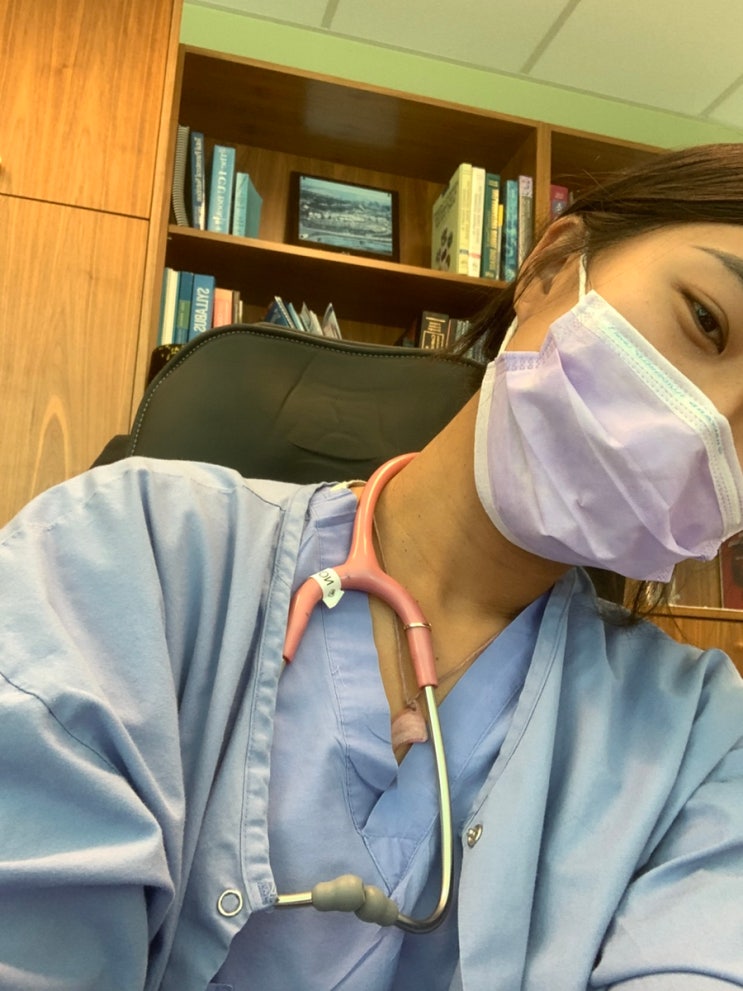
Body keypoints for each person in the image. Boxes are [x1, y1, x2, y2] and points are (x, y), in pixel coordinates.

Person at [1, 143, 743, 991]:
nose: (707, 424)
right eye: (705, 321)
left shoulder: (703, 737)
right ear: (549, 269)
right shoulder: (130, 552)